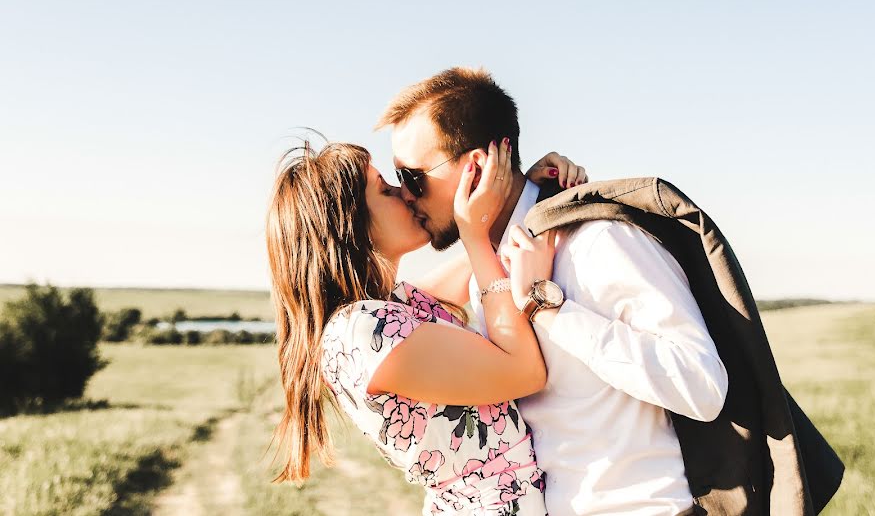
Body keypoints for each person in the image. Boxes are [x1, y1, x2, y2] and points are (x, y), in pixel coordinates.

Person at [377, 67, 729, 516]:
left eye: (413, 178)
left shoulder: (598, 241)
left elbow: (702, 386)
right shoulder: (486, 272)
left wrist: (550, 309)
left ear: (477, 167)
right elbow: (387, 309)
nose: (406, 195)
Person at [266, 137, 586, 515]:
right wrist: (474, 234)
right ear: (349, 224)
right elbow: (525, 370)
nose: (406, 194)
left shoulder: (387, 309)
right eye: (385, 190)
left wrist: (519, 196)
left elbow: (481, 268)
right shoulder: (365, 332)